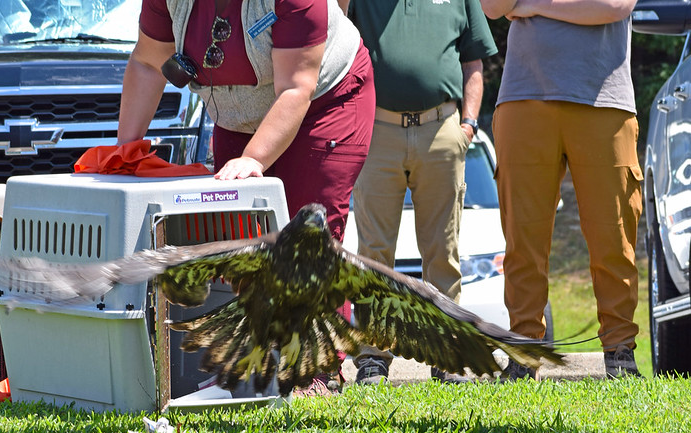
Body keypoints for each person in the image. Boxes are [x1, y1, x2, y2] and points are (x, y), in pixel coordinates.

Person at [117, 0, 376, 394]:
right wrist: (123, 151)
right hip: (238, 117)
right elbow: (148, 63)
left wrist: (253, 159)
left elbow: (296, 87)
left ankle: (317, 371)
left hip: (326, 102)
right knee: (239, 245)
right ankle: (251, 367)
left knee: (305, 236)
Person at [480, 0, 643, 379]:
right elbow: (493, 7)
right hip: (524, 95)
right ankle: (524, 350)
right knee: (523, 238)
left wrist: (530, 5)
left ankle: (619, 352)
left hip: (605, 98)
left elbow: (614, 6)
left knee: (614, 235)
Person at [344, 0, 498, 384]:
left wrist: (468, 126)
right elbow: (333, 33)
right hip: (378, 129)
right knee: (374, 253)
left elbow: (473, 62)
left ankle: (446, 354)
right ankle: (373, 358)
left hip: (441, 129)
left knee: (442, 252)